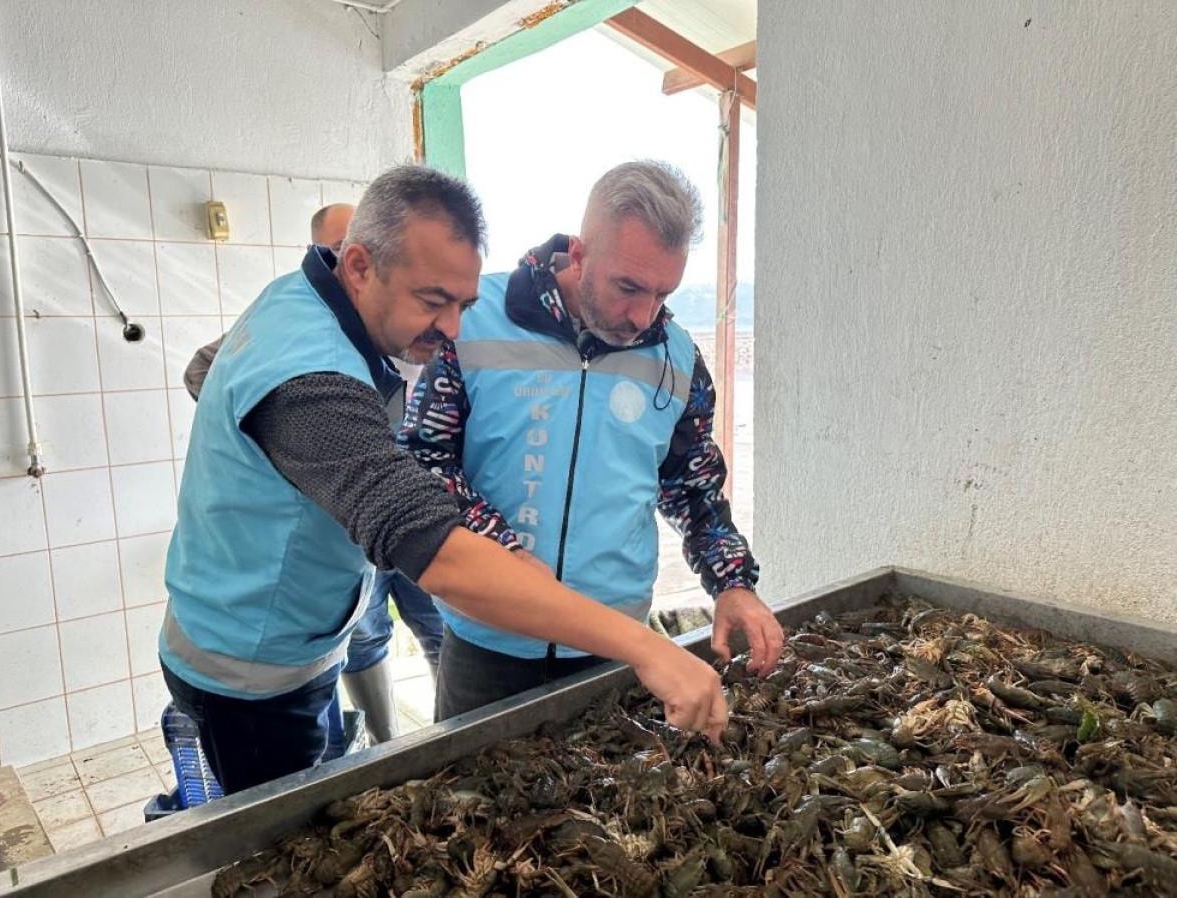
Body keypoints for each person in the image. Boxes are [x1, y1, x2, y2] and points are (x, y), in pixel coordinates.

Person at [160, 164, 727, 795]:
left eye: (464, 305)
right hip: (245, 670)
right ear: (358, 266)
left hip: (297, 643)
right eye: (433, 302)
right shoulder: (308, 376)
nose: (453, 328)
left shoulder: (305, 303)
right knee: (273, 835)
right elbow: (431, 545)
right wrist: (648, 648)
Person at [400, 161, 785, 720]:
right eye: (628, 287)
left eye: (663, 293)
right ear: (579, 255)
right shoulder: (474, 320)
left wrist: (733, 583)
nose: (643, 316)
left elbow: (695, 492)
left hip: (616, 646)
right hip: (488, 638)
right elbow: (424, 460)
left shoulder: (678, 358)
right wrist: (503, 552)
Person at [182, 202, 442, 744]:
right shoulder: (306, 350)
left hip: (389, 519)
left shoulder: (389, 323)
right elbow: (202, 369)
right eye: (340, 251)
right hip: (253, 659)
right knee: (367, 640)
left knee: (433, 626)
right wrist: (286, 438)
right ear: (344, 263)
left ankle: (432, 736)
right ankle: (386, 741)